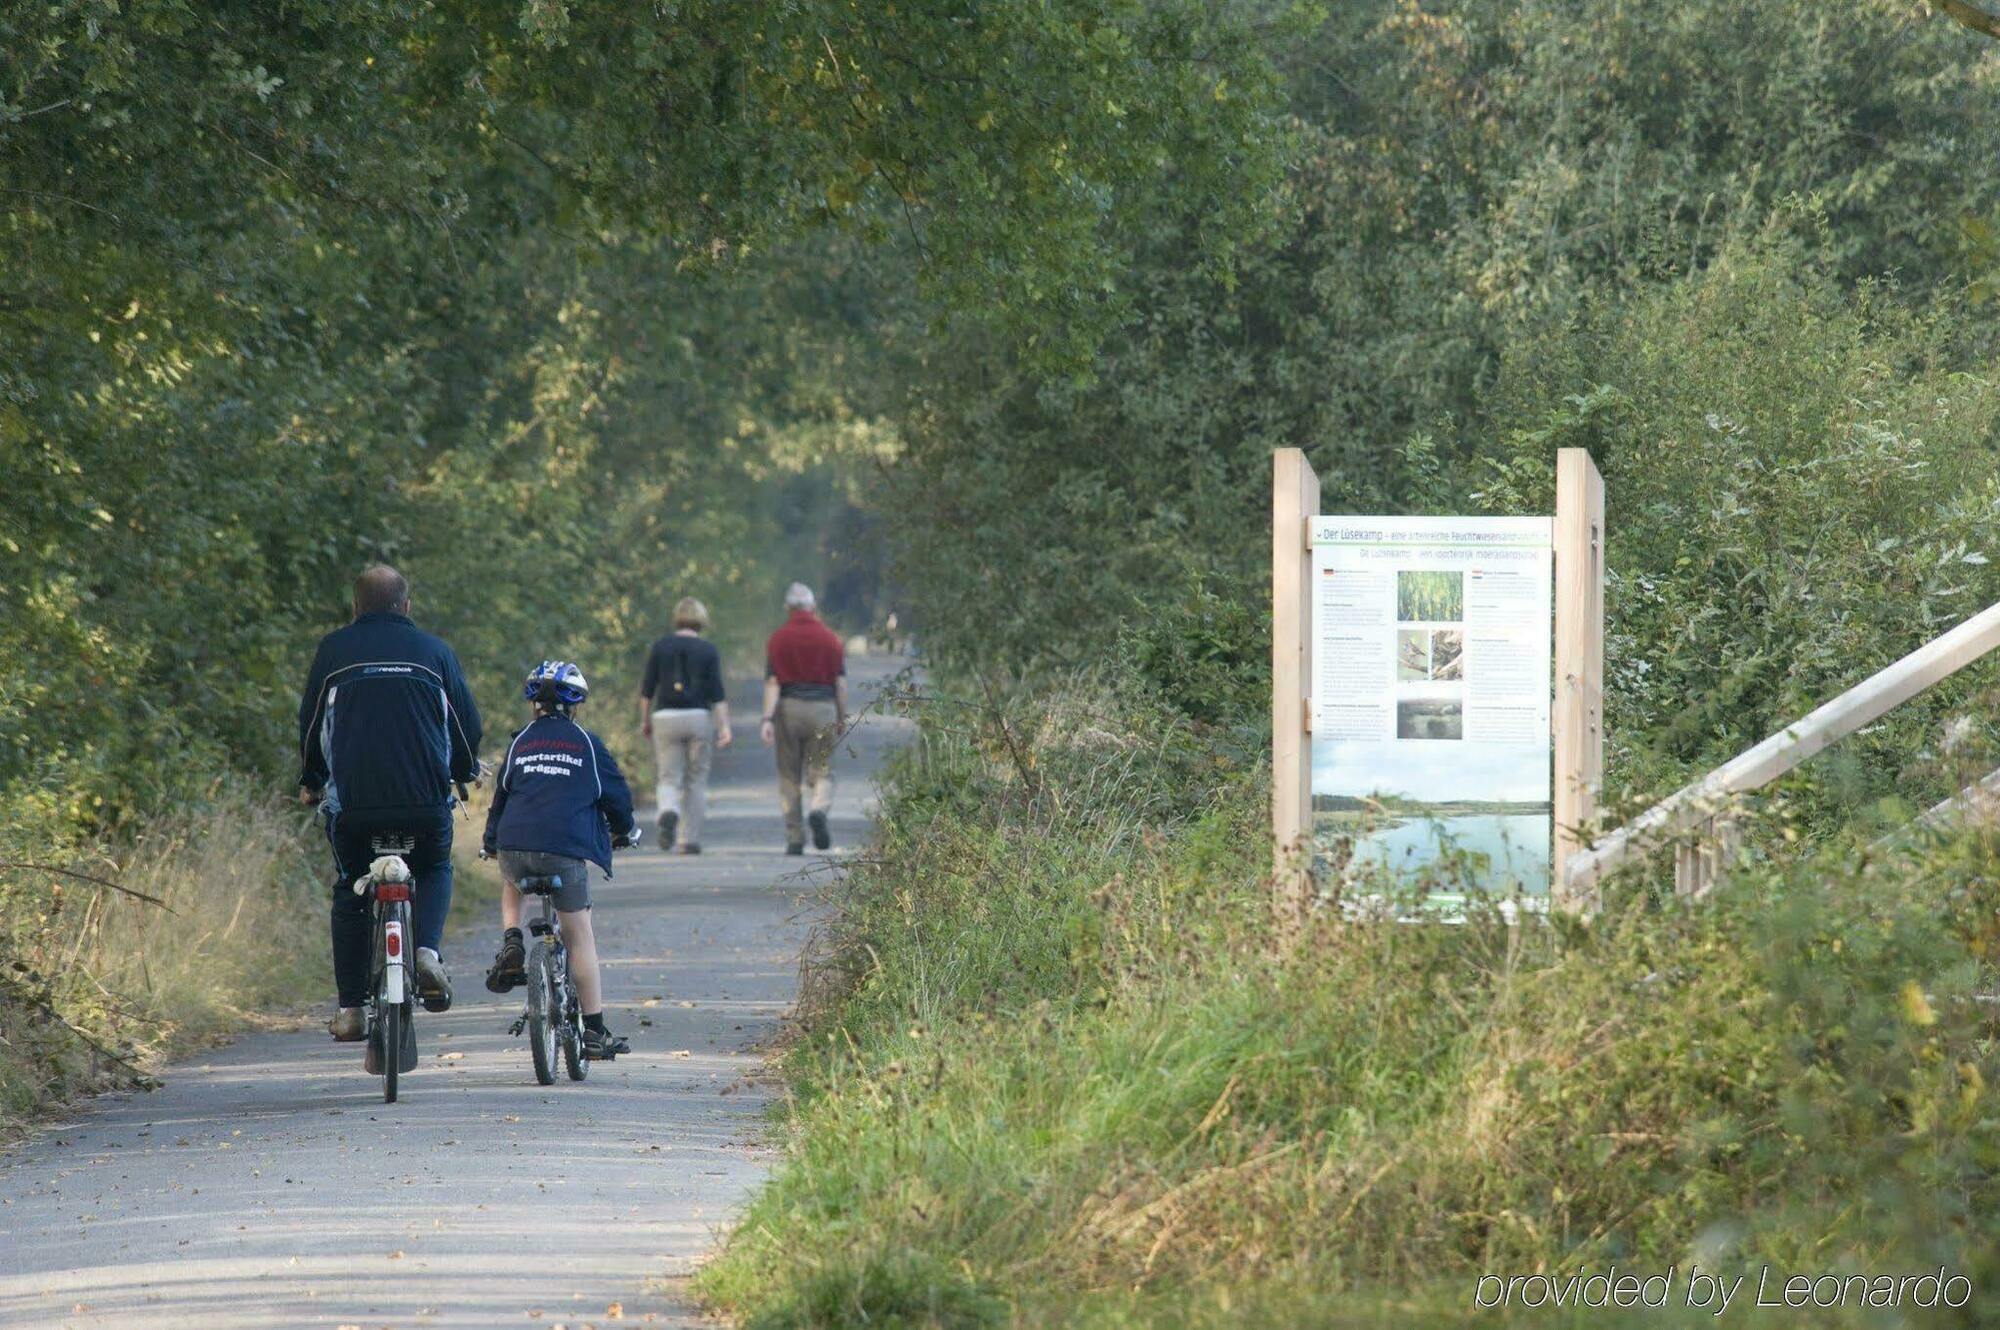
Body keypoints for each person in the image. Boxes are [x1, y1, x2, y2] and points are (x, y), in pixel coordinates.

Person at [297, 565, 482, 1040]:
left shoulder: (334, 651)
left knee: (349, 889)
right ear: (407, 605)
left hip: (354, 810)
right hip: (423, 806)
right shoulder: (435, 652)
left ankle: (351, 1009)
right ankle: (426, 953)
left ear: (355, 607)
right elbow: (464, 727)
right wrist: (462, 772)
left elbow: (312, 723)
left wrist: (312, 779)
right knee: (436, 865)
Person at [482, 661, 637, 1059]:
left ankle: (512, 938)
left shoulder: (520, 742)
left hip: (515, 848)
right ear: (574, 705)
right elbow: (616, 797)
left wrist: (491, 843)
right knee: (578, 933)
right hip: (564, 851)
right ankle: (596, 1033)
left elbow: (501, 799)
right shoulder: (586, 744)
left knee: (512, 876)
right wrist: (624, 830)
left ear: (534, 703)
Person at [639, 597, 732, 853]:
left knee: (668, 777)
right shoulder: (708, 650)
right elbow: (718, 694)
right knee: (696, 779)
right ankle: (687, 839)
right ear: (701, 619)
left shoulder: (660, 647)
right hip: (698, 718)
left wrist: (645, 721)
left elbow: (647, 690)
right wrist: (724, 726)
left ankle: (668, 810)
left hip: (665, 717)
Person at [761, 582, 847, 854]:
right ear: (812, 607)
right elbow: (841, 684)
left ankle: (795, 838)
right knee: (823, 771)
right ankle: (819, 809)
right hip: (823, 708)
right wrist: (842, 716)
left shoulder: (778, 639)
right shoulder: (830, 639)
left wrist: (766, 718)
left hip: (789, 708)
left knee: (789, 775)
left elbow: (773, 682)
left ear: (788, 608)